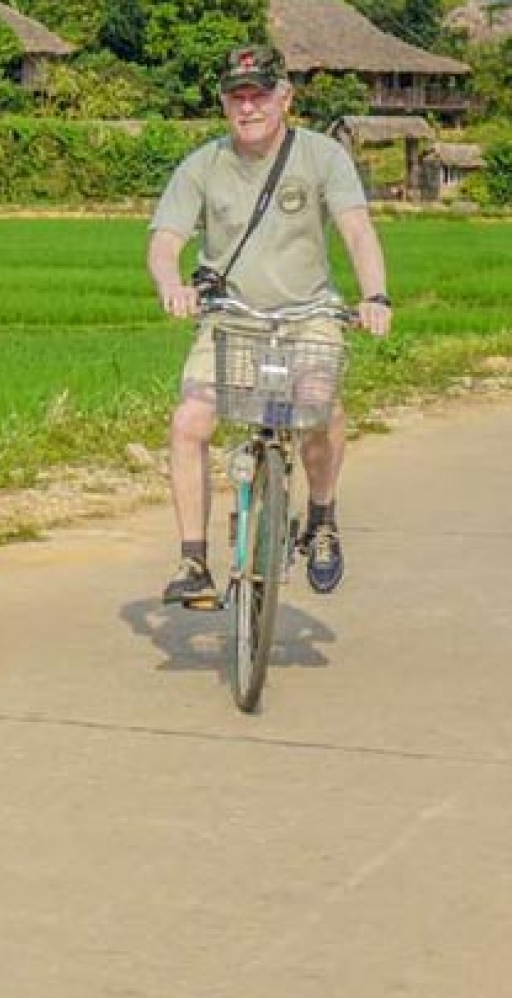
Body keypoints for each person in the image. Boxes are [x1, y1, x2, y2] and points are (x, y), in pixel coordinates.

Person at [147, 43, 392, 609]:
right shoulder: (202, 165)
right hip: (233, 315)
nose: (249, 107)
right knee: (190, 420)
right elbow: (165, 242)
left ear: (285, 98)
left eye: (260, 95)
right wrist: (172, 284)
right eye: (238, 96)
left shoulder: (323, 156)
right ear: (224, 103)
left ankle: (323, 516)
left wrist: (374, 295)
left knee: (319, 404)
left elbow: (356, 231)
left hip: (309, 313)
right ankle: (192, 558)